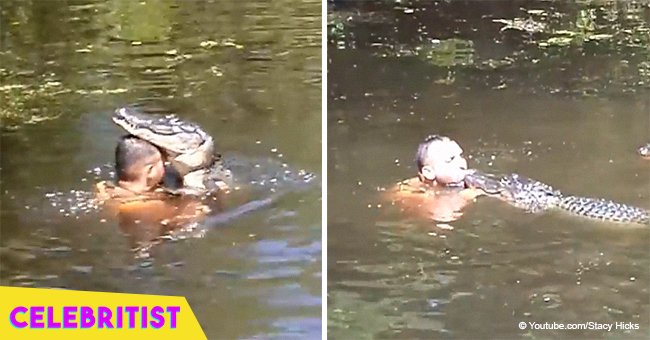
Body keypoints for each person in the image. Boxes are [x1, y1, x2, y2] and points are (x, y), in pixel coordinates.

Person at [95, 135, 214, 249]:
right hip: (155, 248)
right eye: (162, 162)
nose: (167, 165)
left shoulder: (104, 188)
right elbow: (195, 211)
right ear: (150, 171)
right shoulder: (143, 206)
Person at [385, 135, 485, 223]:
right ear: (429, 173)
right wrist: (463, 198)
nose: (461, 163)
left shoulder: (469, 182)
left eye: (461, 156)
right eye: (450, 160)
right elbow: (441, 215)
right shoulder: (412, 192)